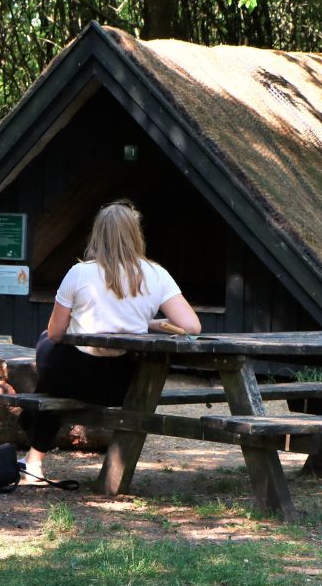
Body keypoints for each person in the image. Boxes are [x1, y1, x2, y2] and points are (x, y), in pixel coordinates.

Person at [19, 200, 201, 482]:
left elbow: (55, 332)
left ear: (98, 234)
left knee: (46, 343)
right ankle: (33, 455)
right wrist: (147, 323)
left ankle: (34, 460)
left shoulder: (79, 273)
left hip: (72, 378)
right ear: (135, 233)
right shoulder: (157, 275)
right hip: (125, 384)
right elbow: (191, 326)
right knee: (54, 365)